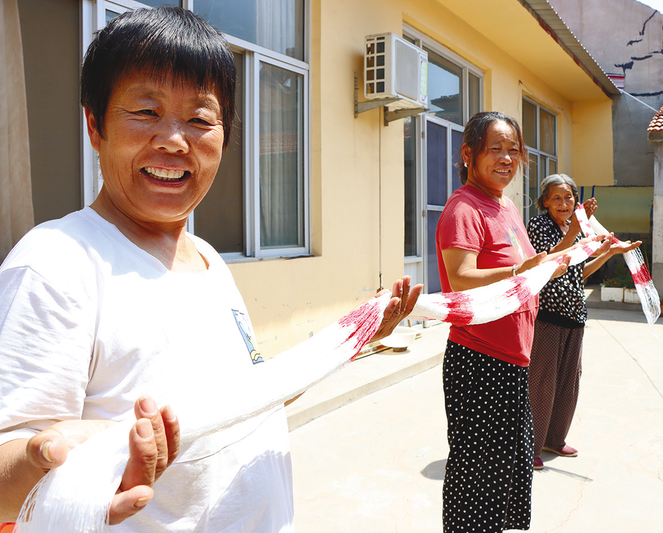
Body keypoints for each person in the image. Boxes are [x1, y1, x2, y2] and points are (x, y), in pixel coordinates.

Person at [0, 7, 420, 532]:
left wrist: (350, 340)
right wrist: (45, 458)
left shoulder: (206, 259)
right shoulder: (56, 262)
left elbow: (249, 396)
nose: (174, 140)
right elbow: (8, 474)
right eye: (146, 111)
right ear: (95, 125)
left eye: (200, 120)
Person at [435, 111, 602, 532]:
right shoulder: (464, 207)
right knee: (478, 477)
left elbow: (535, 266)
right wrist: (516, 271)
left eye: (514, 150)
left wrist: (584, 251)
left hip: (514, 358)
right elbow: (460, 277)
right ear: (468, 154)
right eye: (495, 149)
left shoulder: (506, 206)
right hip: (479, 359)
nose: (507, 158)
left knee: (508, 471)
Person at [526, 173, 640, 470]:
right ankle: (530, 446)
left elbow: (580, 273)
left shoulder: (575, 230)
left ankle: (554, 438)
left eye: (569, 197)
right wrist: (576, 229)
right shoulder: (538, 225)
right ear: (545, 202)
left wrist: (608, 252)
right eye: (556, 198)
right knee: (542, 381)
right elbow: (550, 261)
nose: (563, 203)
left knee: (568, 381)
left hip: (575, 315)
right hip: (548, 314)